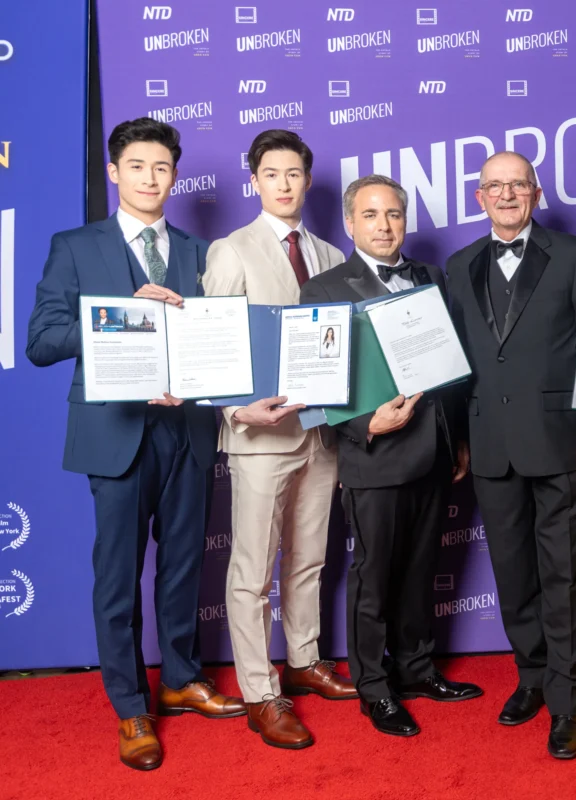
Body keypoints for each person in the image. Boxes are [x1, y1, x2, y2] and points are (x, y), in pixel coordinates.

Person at [26, 118, 244, 771]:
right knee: (117, 576)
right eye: (139, 166)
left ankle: (179, 677)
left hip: (187, 431)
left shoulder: (197, 250)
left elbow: (218, 342)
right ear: (115, 172)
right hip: (116, 431)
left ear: (174, 177)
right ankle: (130, 707)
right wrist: (124, 312)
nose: (152, 178)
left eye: (163, 168)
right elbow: (42, 341)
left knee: (183, 567)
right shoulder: (75, 245)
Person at [445, 152, 576, 759]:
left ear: (536, 194)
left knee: (565, 575)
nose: (507, 194)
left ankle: (568, 702)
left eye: (518, 184)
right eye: (495, 186)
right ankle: (532, 677)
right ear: (479, 195)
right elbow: (456, 366)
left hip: (563, 440)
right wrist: (458, 437)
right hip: (490, 445)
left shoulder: (575, 255)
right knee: (514, 577)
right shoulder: (458, 265)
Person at [303, 175, 480, 738]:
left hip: (431, 449)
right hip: (375, 454)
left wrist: (456, 439)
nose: (384, 225)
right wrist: (363, 424)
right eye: (371, 215)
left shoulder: (430, 276)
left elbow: (447, 368)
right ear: (350, 223)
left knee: (421, 570)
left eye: (395, 215)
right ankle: (375, 688)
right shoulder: (324, 290)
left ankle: (419, 669)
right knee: (375, 577)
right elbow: (315, 380)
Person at [202, 129, 352, 749]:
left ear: (307, 181)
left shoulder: (330, 255)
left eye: (294, 174)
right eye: (272, 174)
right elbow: (212, 345)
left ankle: (305, 657)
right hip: (261, 436)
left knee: (310, 556)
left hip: (321, 434)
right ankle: (262, 690)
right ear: (255, 181)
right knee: (252, 568)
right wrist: (239, 411)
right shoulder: (231, 250)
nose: (284, 184)